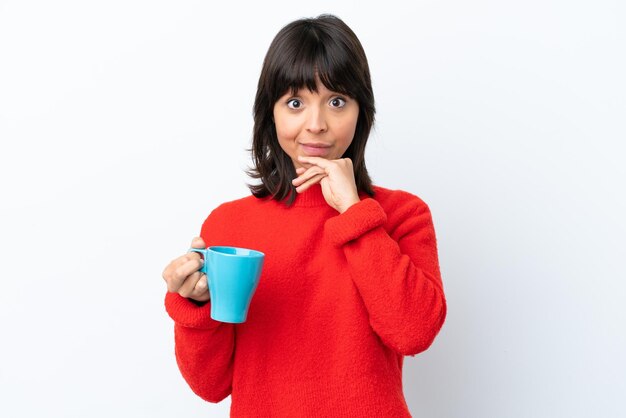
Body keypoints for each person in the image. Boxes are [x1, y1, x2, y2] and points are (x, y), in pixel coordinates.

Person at [162, 14, 446, 417]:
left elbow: (414, 332)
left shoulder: (401, 215)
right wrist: (193, 304)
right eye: (295, 102)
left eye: (336, 101)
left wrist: (354, 213)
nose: (316, 125)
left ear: (361, 112)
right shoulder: (228, 227)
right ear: (270, 113)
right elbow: (210, 386)